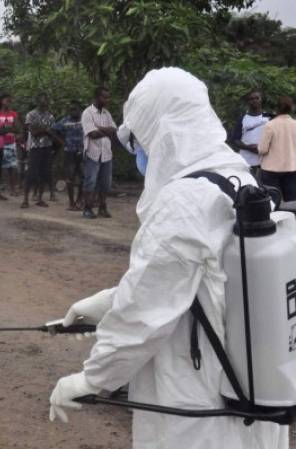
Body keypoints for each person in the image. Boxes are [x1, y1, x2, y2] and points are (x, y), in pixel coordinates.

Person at [49, 68, 287, 449]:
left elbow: (147, 310)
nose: (141, 152)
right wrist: (107, 302)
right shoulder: (239, 179)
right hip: (247, 396)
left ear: (162, 131)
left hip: (199, 397)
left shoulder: (183, 201)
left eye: (141, 140)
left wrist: (92, 378)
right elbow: (196, 280)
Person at [81, 87, 117, 219]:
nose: (107, 100)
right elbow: (92, 134)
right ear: (96, 97)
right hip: (93, 152)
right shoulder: (87, 113)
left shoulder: (107, 114)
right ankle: (87, 208)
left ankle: (102, 207)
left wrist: (99, 128)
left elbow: (115, 131)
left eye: (107, 97)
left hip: (106, 153)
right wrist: (106, 131)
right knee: (90, 181)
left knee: (106, 183)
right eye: (104, 97)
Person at [258, 96, 296, 202]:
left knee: (272, 201)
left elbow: (262, 149)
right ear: (291, 108)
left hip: (270, 169)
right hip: (292, 168)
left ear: (277, 108)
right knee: (292, 201)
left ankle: (276, 218)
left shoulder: (270, 125)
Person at [22, 93, 57, 209]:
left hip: (47, 147)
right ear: (37, 101)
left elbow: (53, 133)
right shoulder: (31, 114)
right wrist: (46, 131)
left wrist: (44, 131)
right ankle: (25, 199)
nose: (44, 101)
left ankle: (40, 198)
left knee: (44, 173)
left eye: (46, 99)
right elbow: (33, 132)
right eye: (42, 99)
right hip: (34, 147)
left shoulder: (50, 116)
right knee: (31, 173)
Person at [231, 89, 273, 177]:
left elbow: (276, 139)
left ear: (261, 99)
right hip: (247, 161)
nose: (254, 100)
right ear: (248, 102)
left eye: (257, 98)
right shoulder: (243, 118)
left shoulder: (269, 117)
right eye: (251, 99)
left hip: (266, 161)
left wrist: (263, 148)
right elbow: (235, 139)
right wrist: (248, 147)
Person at [54, 101, 85, 211]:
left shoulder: (85, 120)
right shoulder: (65, 121)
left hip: (83, 152)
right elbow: (53, 130)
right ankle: (71, 202)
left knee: (83, 177)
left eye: (76, 109)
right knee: (70, 177)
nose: (74, 111)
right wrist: (62, 142)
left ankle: (79, 199)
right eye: (71, 109)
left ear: (80, 110)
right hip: (69, 152)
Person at [0, 94, 21, 196]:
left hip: (11, 142)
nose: (9, 102)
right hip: (0, 142)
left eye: (10, 101)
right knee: (3, 167)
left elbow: (17, 128)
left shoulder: (13, 114)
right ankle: (6, 186)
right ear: (1, 101)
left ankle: (12, 188)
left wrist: (7, 129)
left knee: (13, 166)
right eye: (7, 100)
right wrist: (8, 129)